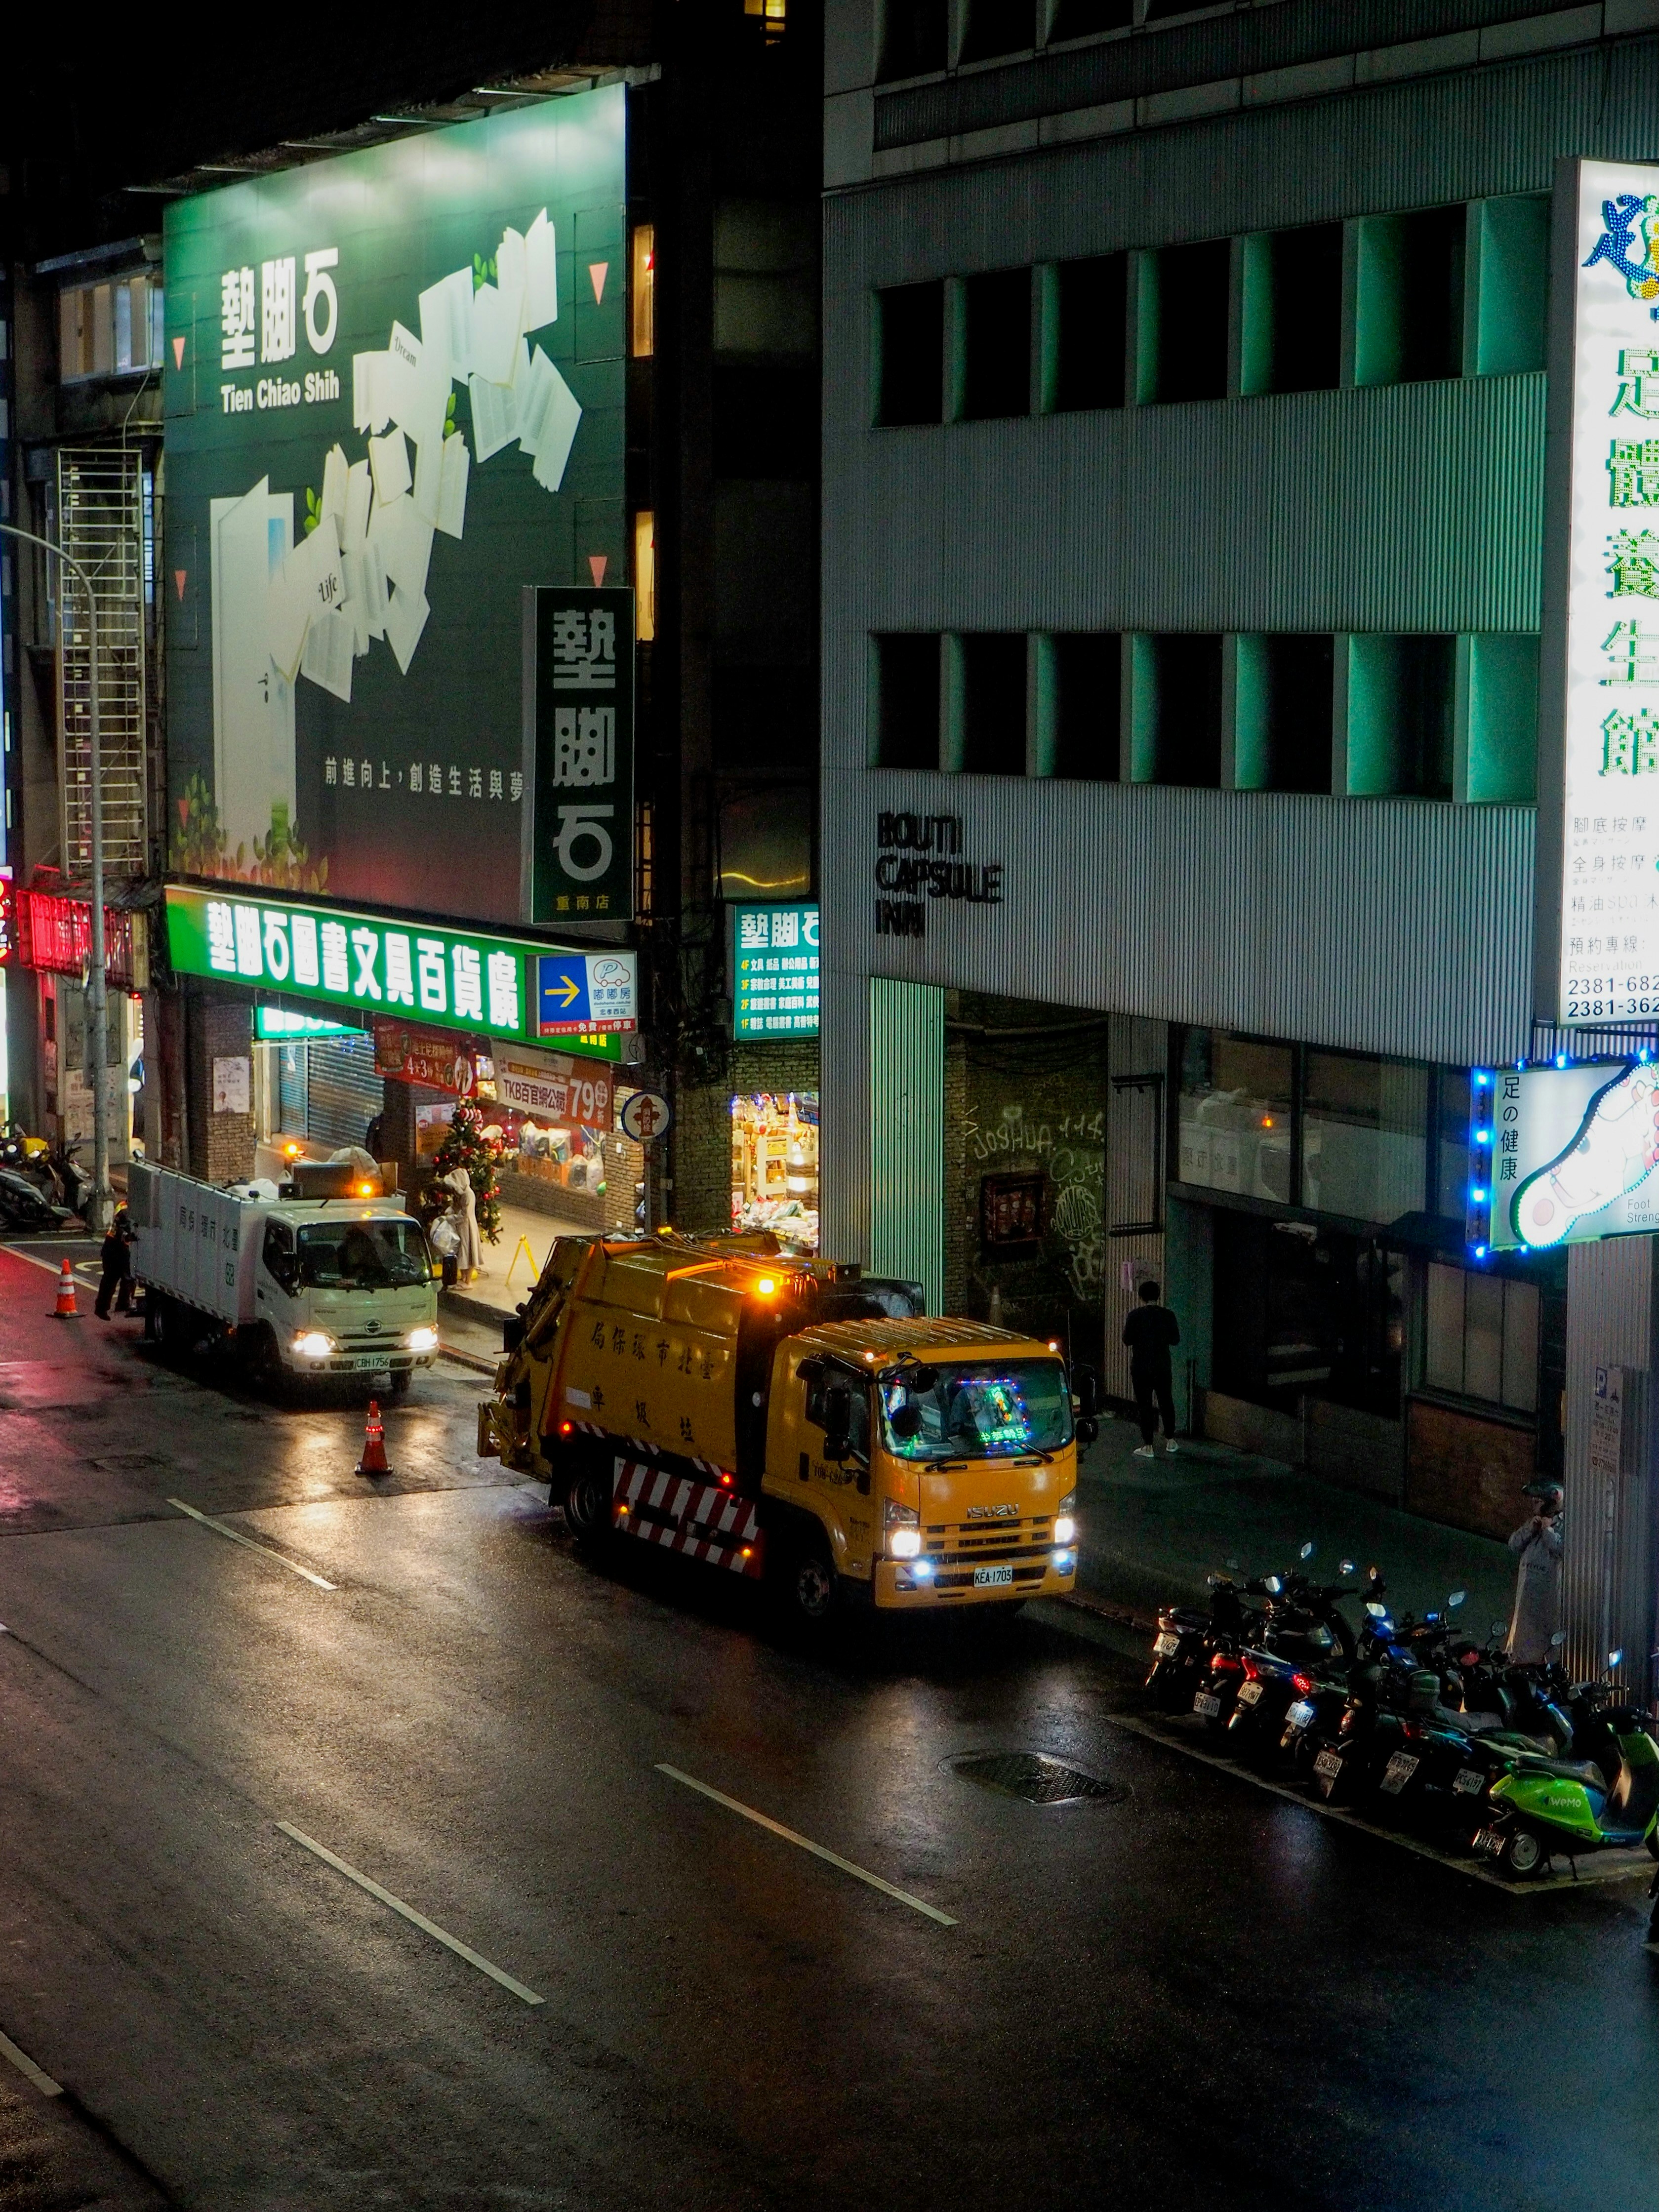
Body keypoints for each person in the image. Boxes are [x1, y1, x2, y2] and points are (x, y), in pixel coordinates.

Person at [1505, 1480, 1564, 1664]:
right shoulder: (1533, 1524)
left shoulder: (1561, 1526)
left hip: (1547, 1597)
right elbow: (1514, 1544)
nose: (1534, 1504)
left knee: (1544, 1638)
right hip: (1526, 1594)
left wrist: (1547, 1530)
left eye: (1538, 1501)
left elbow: (1562, 1549)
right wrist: (1531, 1529)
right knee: (1523, 1634)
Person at [1123, 1277, 1180, 1460]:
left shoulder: (1134, 1316)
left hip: (1141, 1367)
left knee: (1145, 1406)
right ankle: (1170, 1440)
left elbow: (1127, 1340)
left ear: (1141, 1297)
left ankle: (1148, 1446)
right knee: (1166, 1401)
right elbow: (1175, 1340)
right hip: (1162, 1366)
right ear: (1158, 1296)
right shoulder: (1168, 1315)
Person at [94, 1204, 135, 1320]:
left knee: (126, 1279)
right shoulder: (126, 1210)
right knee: (112, 1280)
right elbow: (121, 1230)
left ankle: (121, 1304)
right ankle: (104, 1308)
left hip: (116, 1247)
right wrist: (129, 1237)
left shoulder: (124, 1206)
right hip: (115, 1248)